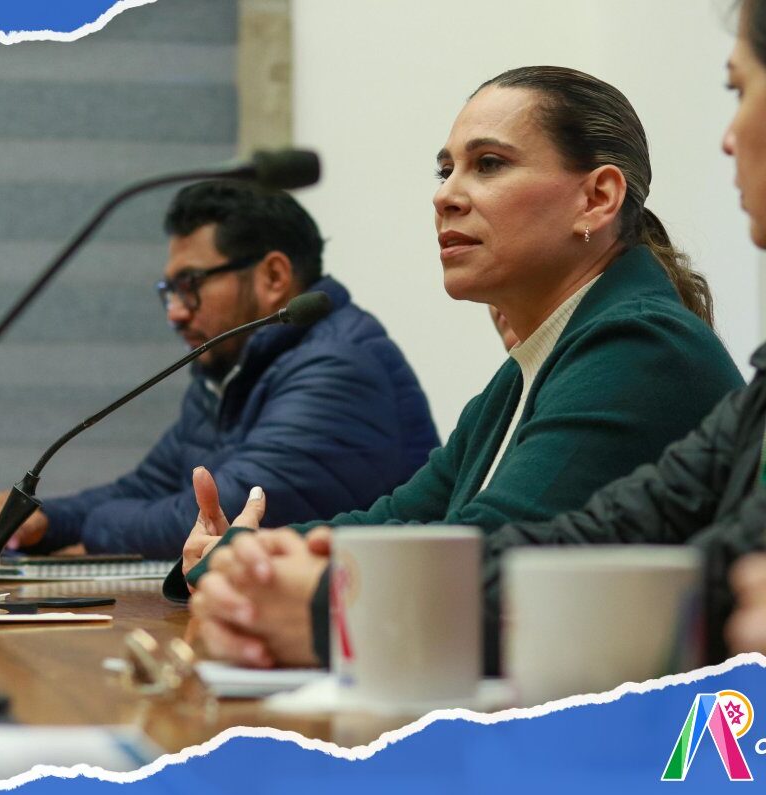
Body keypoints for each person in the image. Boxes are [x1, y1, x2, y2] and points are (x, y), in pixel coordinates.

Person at [178, 66, 745, 670]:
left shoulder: (640, 346)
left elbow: (481, 555)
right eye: (445, 169)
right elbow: (400, 521)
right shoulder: (534, 365)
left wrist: (248, 570)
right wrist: (245, 555)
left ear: (597, 198)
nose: (445, 195)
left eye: (489, 164)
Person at [0, 181, 440, 559]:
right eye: (170, 291)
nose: (176, 312)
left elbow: (219, 516)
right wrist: (46, 521)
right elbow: (151, 486)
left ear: (274, 277)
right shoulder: (229, 370)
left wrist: (92, 531)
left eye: (191, 284)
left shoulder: (339, 366)